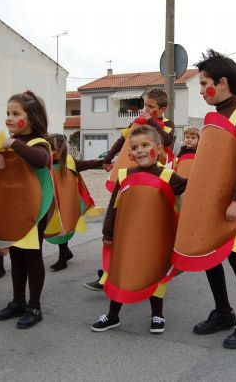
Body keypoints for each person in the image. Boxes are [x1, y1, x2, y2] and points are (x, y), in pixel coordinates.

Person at [176, 49, 236, 349]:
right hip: (212, 203)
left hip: (234, 203)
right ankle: (224, 312)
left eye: (204, 84)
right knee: (210, 255)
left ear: (223, 82)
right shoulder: (213, 116)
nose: (201, 91)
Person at [91, 125, 187, 334]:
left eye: (145, 145)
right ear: (130, 153)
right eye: (135, 147)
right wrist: (108, 233)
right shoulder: (125, 175)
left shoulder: (169, 176)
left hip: (156, 240)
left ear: (159, 149)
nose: (140, 150)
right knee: (121, 273)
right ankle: (113, 315)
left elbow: (192, 189)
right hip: (127, 239)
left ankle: (157, 315)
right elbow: (113, 205)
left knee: (155, 274)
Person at [0, 90, 52, 327]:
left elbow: (40, 160)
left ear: (32, 117)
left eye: (15, 113)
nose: (9, 118)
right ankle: (18, 301)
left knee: (32, 257)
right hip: (10, 210)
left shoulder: (40, 143)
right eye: (8, 113)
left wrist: (14, 144)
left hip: (32, 212)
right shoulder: (3, 143)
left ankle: (35, 306)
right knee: (16, 257)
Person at [46, 134, 103, 271]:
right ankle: (66, 253)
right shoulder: (44, 163)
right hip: (51, 202)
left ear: (62, 149)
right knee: (52, 227)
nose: (53, 152)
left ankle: (62, 258)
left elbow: (87, 164)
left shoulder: (69, 162)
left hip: (66, 202)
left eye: (55, 149)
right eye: (50, 149)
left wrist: (102, 162)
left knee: (63, 226)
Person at [103, 88, 176, 173]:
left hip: (157, 171)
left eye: (151, 107)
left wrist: (150, 121)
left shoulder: (168, 124)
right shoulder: (138, 122)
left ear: (162, 109)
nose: (146, 109)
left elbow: (167, 141)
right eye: (146, 105)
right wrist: (107, 159)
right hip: (136, 168)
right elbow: (122, 140)